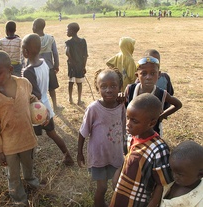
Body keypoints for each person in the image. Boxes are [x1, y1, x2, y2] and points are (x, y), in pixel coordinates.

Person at [0, 51, 40, 207]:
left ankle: (31, 181)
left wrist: (40, 111)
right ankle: (19, 199)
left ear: (10, 69)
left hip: (27, 138)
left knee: (28, 164)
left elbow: (30, 99)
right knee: (13, 174)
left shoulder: (24, 83)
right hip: (8, 144)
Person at [110, 93, 174, 207]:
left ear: (152, 123)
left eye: (134, 121)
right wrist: (117, 175)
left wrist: (153, 203)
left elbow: (161, 183)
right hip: (123, 191)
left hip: (140, 200)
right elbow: (126, 158)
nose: (128, 124)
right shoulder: (131, 137)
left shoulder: (159, 149)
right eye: (128, 118)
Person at [22, 33, 74, 166]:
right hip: (46, 106)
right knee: (52, 133)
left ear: (26, 52)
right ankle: (67, 155)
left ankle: (29, 164)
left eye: (23, 49)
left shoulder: (28, 71)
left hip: (36, 109)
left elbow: (35, 95)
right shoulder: (44, 63)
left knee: (29, 138)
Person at [77, 68, 125, 207]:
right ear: (98, 88)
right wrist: (79, 152)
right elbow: (83, 132)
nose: (108, 90)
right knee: (102, 187)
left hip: (115, 154)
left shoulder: (121, 105)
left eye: (113, 86)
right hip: (99, 156)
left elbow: (123, 128)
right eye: (103, 86)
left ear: (120, 87)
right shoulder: (93, 109)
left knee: (118, 184)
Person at [125, 56, 182, 136]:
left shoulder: (161, 94)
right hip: (132, 134)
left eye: (152, 73)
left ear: (158, 74)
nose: (148, 77)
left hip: (151, 136)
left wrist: (162, 116)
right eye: (144, 74)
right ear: (137, 75)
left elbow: (178, 104)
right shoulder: (130, 89)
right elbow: (123, 107)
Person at [160, 140, 203, 207]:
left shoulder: (199, 202)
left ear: (200, 175)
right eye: (171, 170)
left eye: (179, 174)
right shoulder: (171, 182)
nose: (174, 176)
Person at [32, 18, 62, 111]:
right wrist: (56, 65)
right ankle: (55, 105)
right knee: (51, 88)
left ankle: (38, 107)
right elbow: (55, 53)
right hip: (49, 67)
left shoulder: (32, 39)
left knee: (37, 89)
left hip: (35, 68)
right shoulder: (50, 38)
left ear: (35, 27)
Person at [65, 22, 88, 105]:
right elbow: (85, 55)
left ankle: (70, 99)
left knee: (71, 81)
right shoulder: (83, 41)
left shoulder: (68, 42)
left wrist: (72, 60)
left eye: (67, 30)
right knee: (79, 82)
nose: (66, 31)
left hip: (71, 65)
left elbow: (67, 52)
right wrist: (84, 66)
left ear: (72, 31)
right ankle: (79, 100)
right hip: (80, 65)